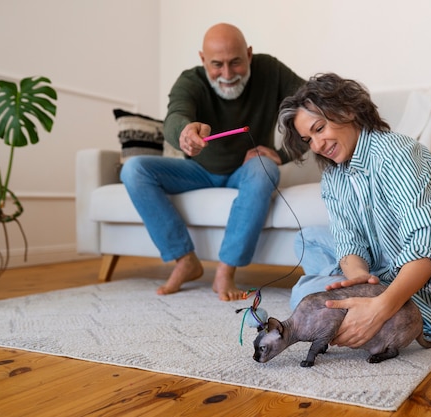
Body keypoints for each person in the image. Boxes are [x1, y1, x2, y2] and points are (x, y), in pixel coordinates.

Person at [277, 73, 431, 348]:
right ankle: (355, 296)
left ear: (346, 111)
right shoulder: (334, 177)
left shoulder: (399, 155)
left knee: (303, 297)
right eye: (308, 139)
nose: (317, 146)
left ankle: (378, 311)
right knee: (307, 239)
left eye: (319, 129)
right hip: (378, 275)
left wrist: (379, 307)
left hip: (422, 295)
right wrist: (357, 278)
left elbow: (428, 245)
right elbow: (348, 240)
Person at [120, 23, 304, 301]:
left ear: (250, 54)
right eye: (217, 64)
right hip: (197, 170)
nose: (227, 74)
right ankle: (185, 260)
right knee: (134, 169)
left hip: (247, 170)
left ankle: (226, 271)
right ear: (203, 59)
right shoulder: (190, 81)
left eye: (236, 63)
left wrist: (284, 154)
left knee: (264, 167)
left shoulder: (271, 70)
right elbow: (176, 115)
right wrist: (183, 132)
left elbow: (312, 105)